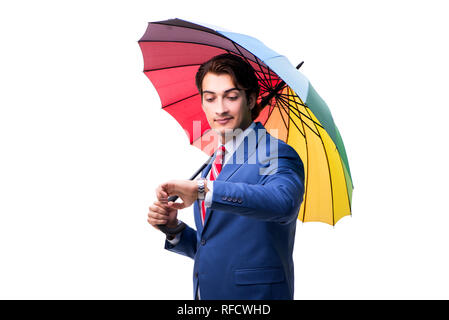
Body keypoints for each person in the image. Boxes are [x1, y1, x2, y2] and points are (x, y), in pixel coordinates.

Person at [147, 53, 304, 300]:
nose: (220, 109)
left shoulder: (275, 153)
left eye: (231, 97)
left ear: (251, 99)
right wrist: (174, 230)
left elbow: (283, 202)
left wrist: (202, 190)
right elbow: (215, 246)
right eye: (210, 98)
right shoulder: (214, 162)